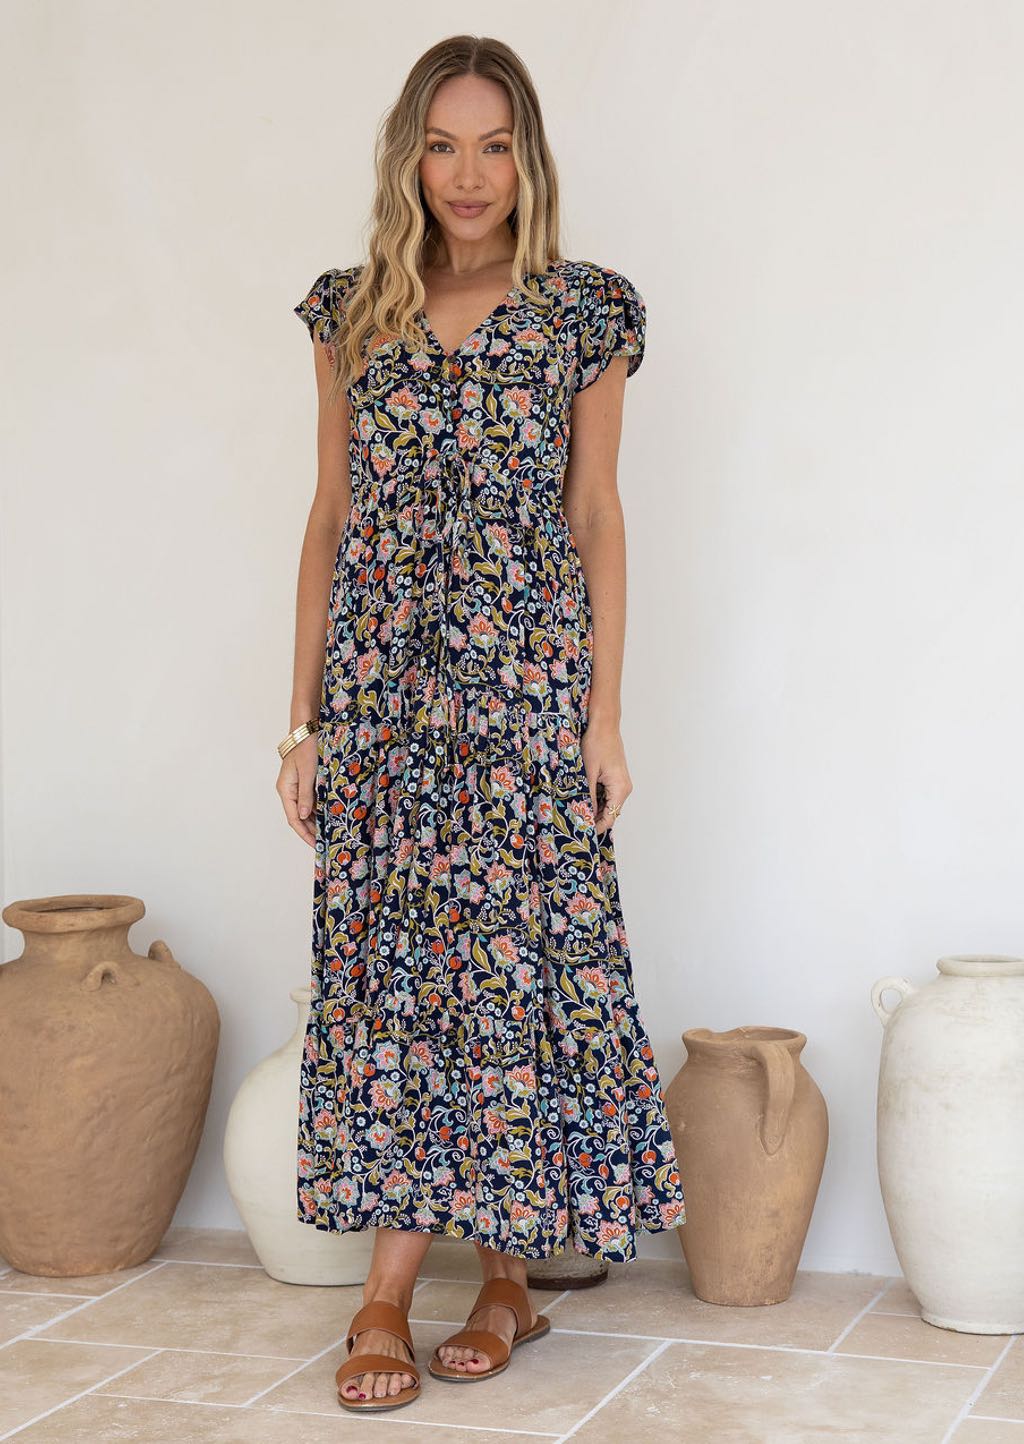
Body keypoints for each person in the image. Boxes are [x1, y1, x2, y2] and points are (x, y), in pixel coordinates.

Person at [279, 33, 685, 1416]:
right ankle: (392, 1284)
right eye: (444, 145)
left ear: (530, 158)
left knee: (507, 973)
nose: (469, 174)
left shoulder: (582, 312)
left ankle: (503, 1276)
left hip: (523, 694)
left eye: (495, 144)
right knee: (395, 974)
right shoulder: (352, 313)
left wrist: (606, 719)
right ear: (410, 155)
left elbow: (595, 516)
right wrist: (302, 728)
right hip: (385, 701)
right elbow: (332, 523)